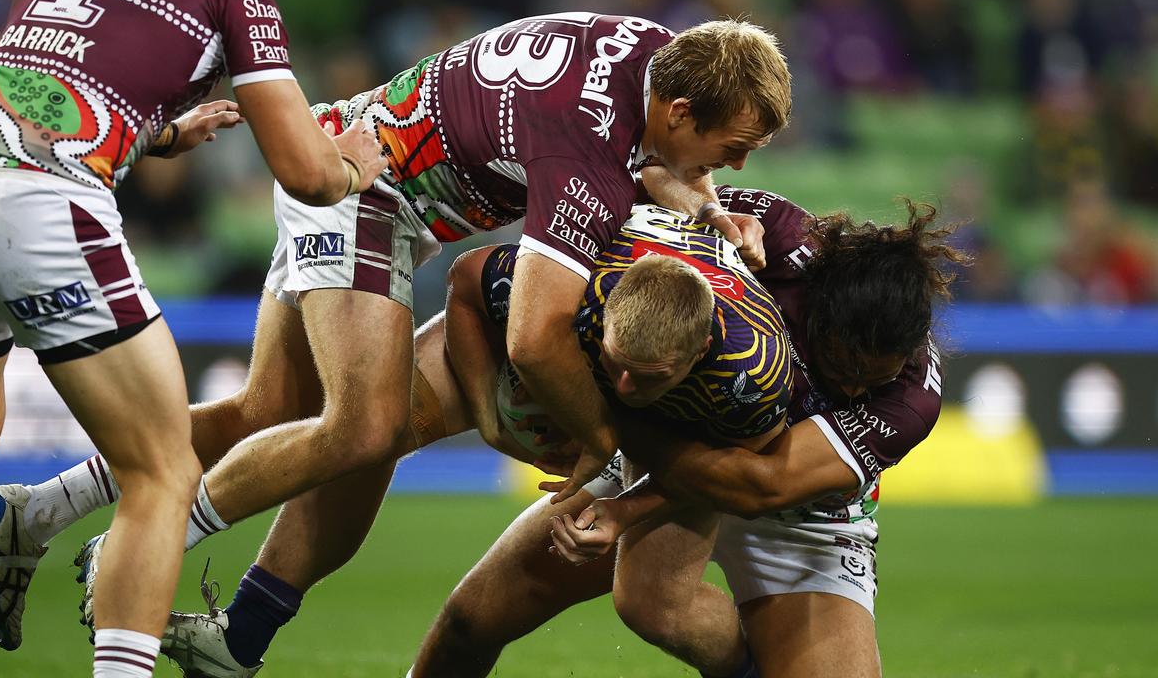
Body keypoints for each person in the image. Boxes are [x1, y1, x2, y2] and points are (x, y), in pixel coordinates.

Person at [0, 12, 793, 655]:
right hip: (366, 192)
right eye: (735, 146)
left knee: (267, 412)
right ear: (679, 109)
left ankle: (31, 514)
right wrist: (602, 445)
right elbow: (536, 339)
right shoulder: (583, 148)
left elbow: (662, 158)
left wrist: (713, 210)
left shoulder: (655, 52)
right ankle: (139, 548)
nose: (740, 164)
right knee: (366, 424)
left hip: (349, 158)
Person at [0, 0, 387, 676]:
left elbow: (51, 87)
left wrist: (158, 134)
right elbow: (305, 171)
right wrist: (350, 166)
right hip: (44, 206)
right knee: (160, 472)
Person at [158, 198, 791, 676]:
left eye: (645, 378)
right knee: (369, 435)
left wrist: (625, 510)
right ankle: (241, 632)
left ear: (702, 350)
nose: (624, 384)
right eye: (614, 362)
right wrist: (492, 414)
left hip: (673, 451)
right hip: (573, 373)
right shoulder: (574, 292)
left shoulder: (752, 379)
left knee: (655, 607)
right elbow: (467, 281)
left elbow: (738, 474)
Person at [410, 190, 967, 678]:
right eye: (840, 369)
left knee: (655, 598)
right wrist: (703, 210)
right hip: (680, 444)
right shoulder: (771, 233)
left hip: (803, 516)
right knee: (473, 618)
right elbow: (641, 193)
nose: (850, 391)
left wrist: (600, 423)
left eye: (871, 380)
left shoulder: (913, 399)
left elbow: (760, 485)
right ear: (817, 306)